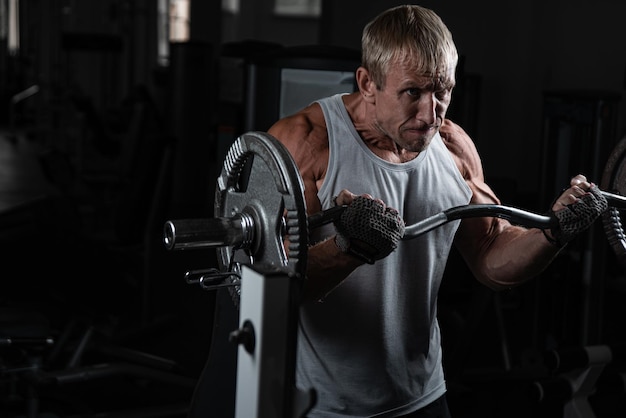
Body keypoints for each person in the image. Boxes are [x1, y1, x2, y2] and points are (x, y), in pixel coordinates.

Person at [266, 4, 608, 417]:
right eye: (412, 92)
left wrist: (555, 232)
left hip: (423, 394)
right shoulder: (306, 142)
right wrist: (347, 248)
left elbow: (490, 254)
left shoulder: (452, 146)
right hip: (324, 405)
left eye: (442, 91)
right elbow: (272, 289)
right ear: (367, 82)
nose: (431, 115)